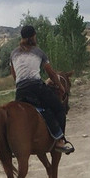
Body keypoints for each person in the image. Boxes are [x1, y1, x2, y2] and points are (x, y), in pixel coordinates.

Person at [10, 24, 72, 153]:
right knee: (59, 109)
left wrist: (21, 85)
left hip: (20, 90)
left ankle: (12, 145)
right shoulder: (39, 52)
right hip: (36, 87)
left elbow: (15, 76)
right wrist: (61, 87)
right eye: (35, 36)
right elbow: (51, 73)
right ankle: (60, 141)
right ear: (33, 37)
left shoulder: (13, 54)